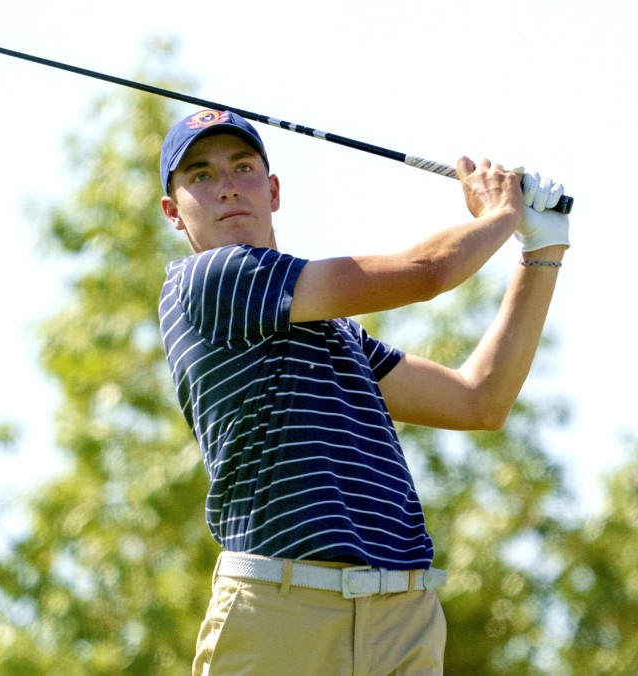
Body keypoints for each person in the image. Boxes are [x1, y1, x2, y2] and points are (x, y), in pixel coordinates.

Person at [157, 109, 569, 675]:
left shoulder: (337, 335)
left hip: (402, 616)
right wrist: (501, 212)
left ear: (272, 191)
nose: (227, 186)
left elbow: (479, 400)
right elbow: (426, 272)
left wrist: (541, 253)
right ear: (173, 212)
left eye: (243, 167)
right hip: (283, 612)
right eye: (200, 176)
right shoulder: (207, 281)